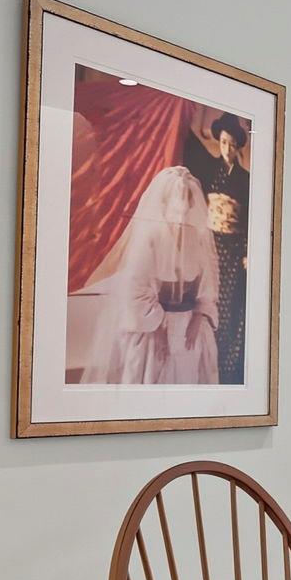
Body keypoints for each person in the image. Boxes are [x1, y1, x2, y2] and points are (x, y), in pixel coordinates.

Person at [86, 165, 219, 385]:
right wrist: (159, 328)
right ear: (164, 205)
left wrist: (198, 317)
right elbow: (135, 289)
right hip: (152, 327)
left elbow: (208, 285)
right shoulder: (149, 237)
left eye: (185, 209)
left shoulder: (196, 237)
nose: (181, 217)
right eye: (176, 210)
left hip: (189, 326)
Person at [183, 112, 253, 384]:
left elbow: (249, 220)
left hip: (234, 248)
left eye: (232, 144)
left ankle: (227, 365)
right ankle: (203, 363)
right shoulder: (209, 170)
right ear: (219, 142)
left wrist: (246, 251)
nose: (227, 148)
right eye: (224, 142)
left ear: (238, 147)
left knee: (230, 304)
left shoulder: (246, 179)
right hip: (210, 244)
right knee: (206, 298)